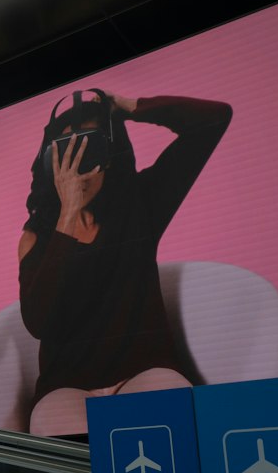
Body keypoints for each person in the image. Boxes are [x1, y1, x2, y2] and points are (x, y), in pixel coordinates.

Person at [18, 88, 232, 438]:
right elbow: (40, 321)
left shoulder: (139, 206)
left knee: (176, 424)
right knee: (65, 449)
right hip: (67, 386)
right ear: (49, 165)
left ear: (111, 154)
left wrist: (129, 108)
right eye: (66, 155)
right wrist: (67, 216)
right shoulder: (37, 238)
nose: (77, 171)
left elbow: (214, 120)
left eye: (89, 150)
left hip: (144, 372)